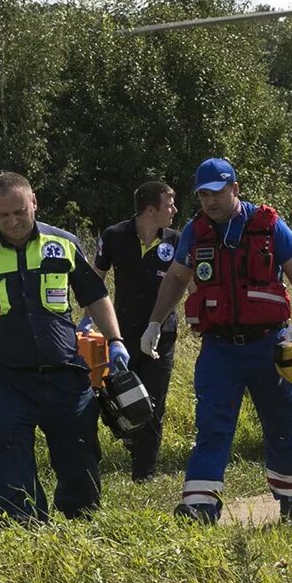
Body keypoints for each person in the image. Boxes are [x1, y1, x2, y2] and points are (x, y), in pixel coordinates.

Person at [0, 172, 131, 523]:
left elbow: (95, 296)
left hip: (66, 377)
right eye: (2, 215)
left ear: (34, 202)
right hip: (8, 382)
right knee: (10, 467)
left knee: (80, 462)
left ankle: (80, 526)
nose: (12, 222)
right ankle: (24, 535)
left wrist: (115, 340)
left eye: (19, 212)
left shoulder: (64, 244)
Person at [139, 158, 292, 525]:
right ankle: (199, 507)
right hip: (219, 350)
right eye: (203, 194)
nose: (210, 201)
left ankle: (290, 503)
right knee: (212, 426)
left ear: (234, 190)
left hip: (269, 345)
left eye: (217, 192)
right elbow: (177, 278)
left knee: (282, 424)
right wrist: (153, 324)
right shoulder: (196, 232)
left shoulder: (268, 226)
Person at [93, 181, 181, 481]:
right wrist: (87, 318)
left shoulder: (176, 240)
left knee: (153, 401)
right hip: (121, 333)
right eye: (170, 205)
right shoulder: (114, 236)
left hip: (162, 334)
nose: (175, 210)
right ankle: (129, 442)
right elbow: (95, 280)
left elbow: (189, 283)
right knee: (119, 398)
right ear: (150, 209)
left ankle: (144, 473)